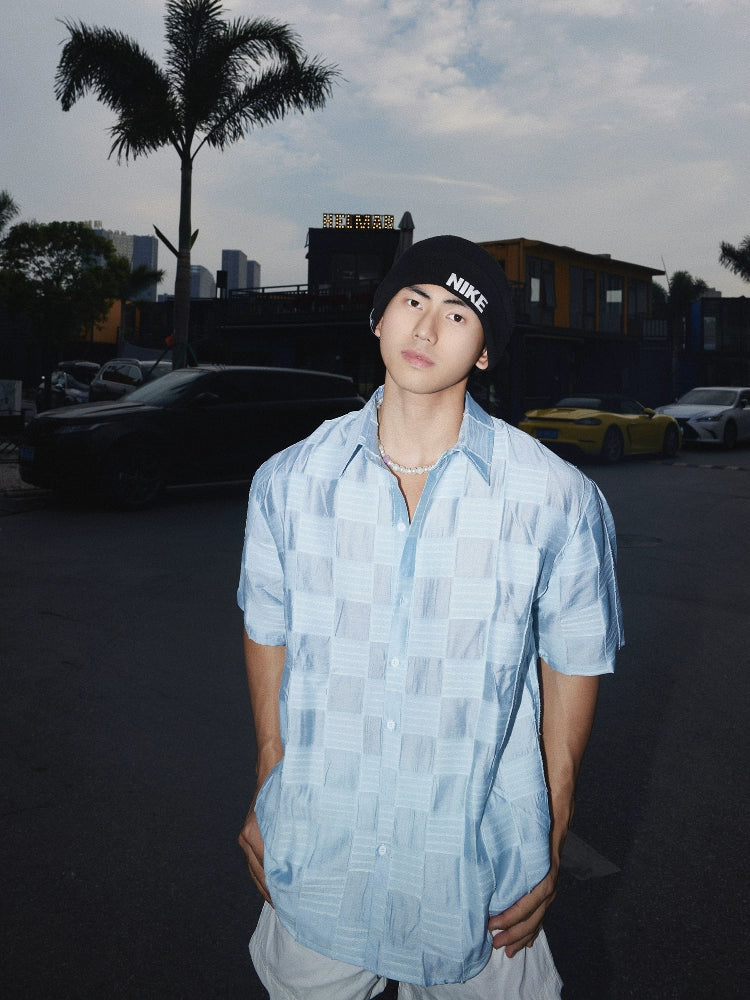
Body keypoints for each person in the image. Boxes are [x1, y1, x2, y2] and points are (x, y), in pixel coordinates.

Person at [237, 235, 623, 999]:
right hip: (319, 859)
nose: (425, 326)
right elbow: (268, 633)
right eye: (412, 300)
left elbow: (575, 662)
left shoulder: (557, 497)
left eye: (457, 314)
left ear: (484, 352)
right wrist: (267, 778)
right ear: (379, 318)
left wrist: (552, 828)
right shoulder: (288, 481)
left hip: (480, 879)